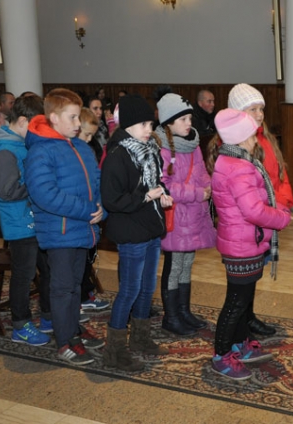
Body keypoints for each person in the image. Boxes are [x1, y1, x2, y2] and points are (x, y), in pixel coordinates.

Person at [209, 108, 292, 381]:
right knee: (235, 303)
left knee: (242, 301)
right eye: (253, 136)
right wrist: (281, 218)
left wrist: (276, 208)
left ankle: (239, 345)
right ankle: (222, 355)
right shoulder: (238, 167)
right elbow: (253, 210)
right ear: (242, 138)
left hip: (244, 240)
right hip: (242, 244)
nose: (257, 140)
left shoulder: (234, 160)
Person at [24, 88, 105, 366]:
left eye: (78, 117)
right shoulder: (41, 151)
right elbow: (44, 194)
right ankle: (64, 341)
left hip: (81, 229)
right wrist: (86, 210)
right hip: (59, 232)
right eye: (72, 117)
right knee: (62, 289)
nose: (78, 123)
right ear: (54, 118)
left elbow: (96, 183)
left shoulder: (81, 147)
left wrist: (101, 208)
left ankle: (73, 332)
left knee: (75, 286)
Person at [100, 94, 172, 370]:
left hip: (150, 227)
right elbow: (112, 199)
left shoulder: (150, 150)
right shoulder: (117, 156)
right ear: (128, 125)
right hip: (130, 230)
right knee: (129, 289)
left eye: (151, 124)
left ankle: (140, 338)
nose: (149, 130)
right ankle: (115, 351)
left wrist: (162, 194)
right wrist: (146, 197)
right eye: (144, 124)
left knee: (147, 287)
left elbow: (156, 182)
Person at [226, 83, 293, 336]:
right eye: (252, 109)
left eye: (261, 109)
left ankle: (249, 315)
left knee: (254, 274)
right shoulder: (237, 145)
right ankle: (240, 321)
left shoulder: (265, 138)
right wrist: (270, 209)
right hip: (250, 222)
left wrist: (282, 204)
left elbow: (280, 174)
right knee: (243, 280)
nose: (259, 114)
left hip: (269, 216)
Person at [0, 95, 52, 347]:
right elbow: (5, 191)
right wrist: (37, 186)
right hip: (18, 221)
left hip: (33, 218)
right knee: (24, 275)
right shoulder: (4, 150)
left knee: (48, 268)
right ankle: (20, 325)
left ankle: (48, 315)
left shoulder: (20, 144)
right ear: (23, 121)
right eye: (36, 126)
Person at [155, 93, 216, 336]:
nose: (189, 123)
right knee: (174, 265)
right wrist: (197, 193)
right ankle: (171, 316)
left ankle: (184, 311)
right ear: (168, 122)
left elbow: (201, 173)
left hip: (194, 215)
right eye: (183, 119)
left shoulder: (193, 144)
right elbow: (165, 185)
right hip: (176, 215)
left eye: (190, 118)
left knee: (187, 263)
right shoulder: (162, 148)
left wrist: (208, 187)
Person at [76, 107, 109, 312]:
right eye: (86, 134)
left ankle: (85, 293)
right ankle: (79, 298)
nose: (89, 139)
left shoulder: (87, 150)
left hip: (91, 212)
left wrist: (101, 206)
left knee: (88, 258)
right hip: (78, 215)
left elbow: (96, 180)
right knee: (77, 264)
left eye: (92, 135)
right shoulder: (70, 151)